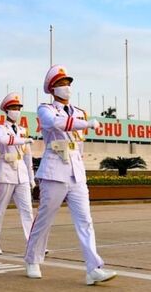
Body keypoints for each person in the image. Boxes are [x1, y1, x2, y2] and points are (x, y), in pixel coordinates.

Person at [24, 65, 117, 285]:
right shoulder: (45, 109)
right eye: (61, 84)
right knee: (45, 218)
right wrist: (87, 123)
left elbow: (80, 144)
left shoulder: (79, 111)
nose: (66, 87)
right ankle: (32, 259)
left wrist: (79, 162)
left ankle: (93, 268)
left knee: (85, 220)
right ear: (52, 88)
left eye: (67, 83)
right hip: (54, 170)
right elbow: (54, 123)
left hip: (76, 171)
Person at [0, 92, 35, 255]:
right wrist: (23, 140)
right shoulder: (1, 128)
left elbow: (27, 155)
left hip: (21, 173)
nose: (16, 111)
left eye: (18, 108)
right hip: (6, 172)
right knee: (0, 209)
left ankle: (32, 242)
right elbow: (3, 140)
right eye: (13, 108)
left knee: (27, 210)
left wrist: (31, 177)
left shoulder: (22, 130)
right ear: (7, 110)